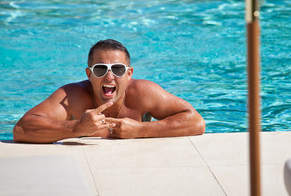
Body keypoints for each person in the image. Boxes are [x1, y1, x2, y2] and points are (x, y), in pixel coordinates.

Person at [13, 39, 205, 143]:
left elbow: (196, 122)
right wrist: (76, 128)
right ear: (89, 74)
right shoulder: (72, 97)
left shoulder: (144, 93)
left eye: (118, 69)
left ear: (129, 74)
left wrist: (140, 130)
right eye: (100, 69)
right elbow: (21, 129)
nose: (109, 76)